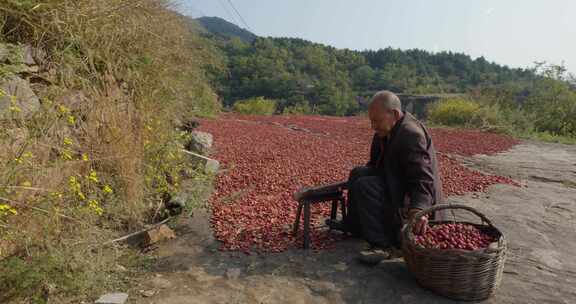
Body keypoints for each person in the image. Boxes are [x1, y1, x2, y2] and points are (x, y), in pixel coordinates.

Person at [328, 90, 443, 265]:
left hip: (411, 194)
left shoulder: (411, 134)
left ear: (394, 114)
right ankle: (355, 226)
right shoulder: (383, 132)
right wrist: (351, 183)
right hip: (395, 181)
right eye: (371, 120)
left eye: (376, 121)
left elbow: (423, 178)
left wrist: (419, 210)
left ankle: (383, 245)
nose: (373, 126)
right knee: (358, 173)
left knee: (365, 186)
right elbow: (374, 165)